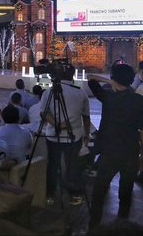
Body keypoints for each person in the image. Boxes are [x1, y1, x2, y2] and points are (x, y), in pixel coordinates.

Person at [87, 64, 143, 229]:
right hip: (130, 152)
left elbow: (91, 79)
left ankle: (93, 227)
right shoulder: (139, 100)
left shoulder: (108, 98)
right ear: (131, 80)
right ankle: (121, 227)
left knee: (99, 192)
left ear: (114, 79)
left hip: (109, 152)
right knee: (126, 193)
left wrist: (110, 81)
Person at [40, 64, 90, 205]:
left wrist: (56, 124)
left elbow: (43, 113)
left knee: (52, 165)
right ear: (73, 75)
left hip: (52, 136)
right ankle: (74, 195)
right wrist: (87, 134)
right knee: (72, 166)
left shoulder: (48, 92)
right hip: (74, 136)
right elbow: (86, 117)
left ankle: (50, 194)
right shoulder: (81, 93)